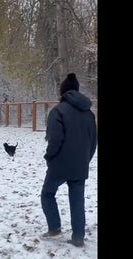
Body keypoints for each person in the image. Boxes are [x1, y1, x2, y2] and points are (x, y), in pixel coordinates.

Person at [40, 73, 97, 247]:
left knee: (47, 194)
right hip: (80, 165)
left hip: (60, 165)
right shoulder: (89, 113)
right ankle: (78, 237)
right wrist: (85, 160)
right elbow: (93, 141)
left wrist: (50, 157)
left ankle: (54, 227)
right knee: (77, 200)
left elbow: (55, 139)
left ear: (63, 92)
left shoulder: (58, 111)